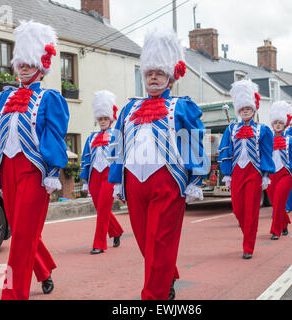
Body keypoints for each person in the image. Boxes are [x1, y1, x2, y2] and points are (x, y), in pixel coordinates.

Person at [108, 29, 209, 300]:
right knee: (145, 242)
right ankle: (168, 274)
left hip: (168, 183)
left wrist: (195, 179)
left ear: (170, 78)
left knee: (159, 241)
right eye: (149, 73)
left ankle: (153, 297)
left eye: (159, 73)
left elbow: (194, 142)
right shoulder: (130, 109)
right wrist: (117, 180)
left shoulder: (181, 107)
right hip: (133, 183)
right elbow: (117, 145)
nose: (153, 77)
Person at [0, 21, 69, 300]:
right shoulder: (4, 98)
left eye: (28, 63)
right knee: (20, 230)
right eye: (20, 63)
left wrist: (53, 172)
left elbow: (55, 137)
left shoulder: (49, 98)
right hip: (7, 168)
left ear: (41, 66)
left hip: (33, 171)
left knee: (21, 237)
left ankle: (13, 294)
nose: (22, 68)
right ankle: (43, 271)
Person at [219, 79, 275, 259]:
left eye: (248, 109)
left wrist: (266, 174)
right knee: (237, 209)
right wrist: (227, 173)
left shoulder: (263, 130)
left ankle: (248, 246)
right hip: (237, 172)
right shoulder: (231, 129)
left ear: (254, 110)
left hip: (254, 172)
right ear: (238, 111)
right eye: (242, 109)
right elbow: (225, 152)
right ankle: (247, 234)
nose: (245, 112)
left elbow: (266, 153)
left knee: (251, 209)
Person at [80, 90, 123, 254]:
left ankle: (99, 244)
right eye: (101, 119)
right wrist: (85, 181)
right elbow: (85, 159)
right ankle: (116, 230)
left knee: (103, 209)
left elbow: (120, 158)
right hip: (94, 177)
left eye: (106, 118)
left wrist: (120, 180)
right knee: (101, 208)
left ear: (111, 118)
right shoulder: (91, 138)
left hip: (109, 176)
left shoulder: (117, 136)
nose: (103, 121)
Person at [266, 101, 292, 240]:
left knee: (279, 201)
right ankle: (285, 222)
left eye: (281, 123)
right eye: (276, 123)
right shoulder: (267, 139)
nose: (278, 125)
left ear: (285, 124)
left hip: (285, 174)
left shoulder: (291, 140)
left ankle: (276, 231)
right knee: (276, 203)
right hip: (271, 175)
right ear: (272, 125)